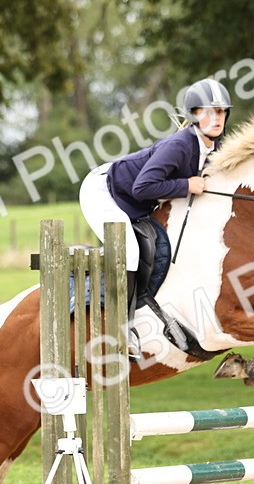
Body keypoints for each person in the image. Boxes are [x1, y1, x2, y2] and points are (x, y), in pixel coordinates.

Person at [79, 78, 231, 353]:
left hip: (133, 200)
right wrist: (186, 185)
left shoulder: (215, 148)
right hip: (104, 191)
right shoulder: (180, 145)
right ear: (194, 115)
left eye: (220, 111)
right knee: (129, 250)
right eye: (208, 111)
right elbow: (142, 187)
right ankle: (121, 332)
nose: (216, 118)